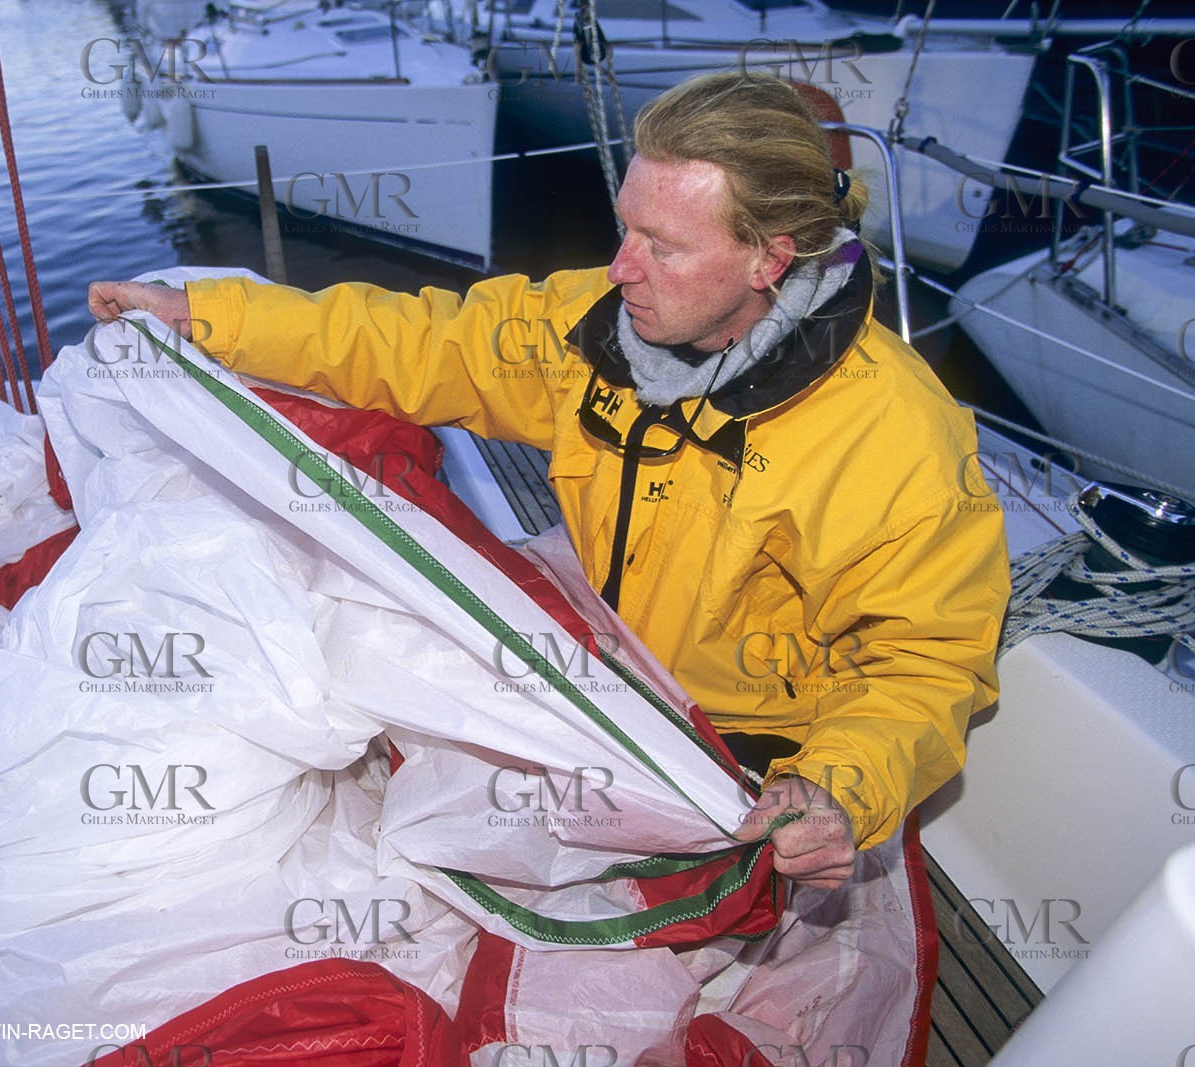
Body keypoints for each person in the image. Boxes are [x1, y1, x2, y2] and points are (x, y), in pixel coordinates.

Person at [87, 72, 1010, 890]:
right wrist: (209, 315)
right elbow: (418, 342)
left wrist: (835, 786)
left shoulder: (894, 434)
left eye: (663, 246)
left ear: (769, 258)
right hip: (602, 670)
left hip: (740, 757)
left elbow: (926, 660)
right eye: (625, 228)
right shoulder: (589, 324)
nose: (620, 268)